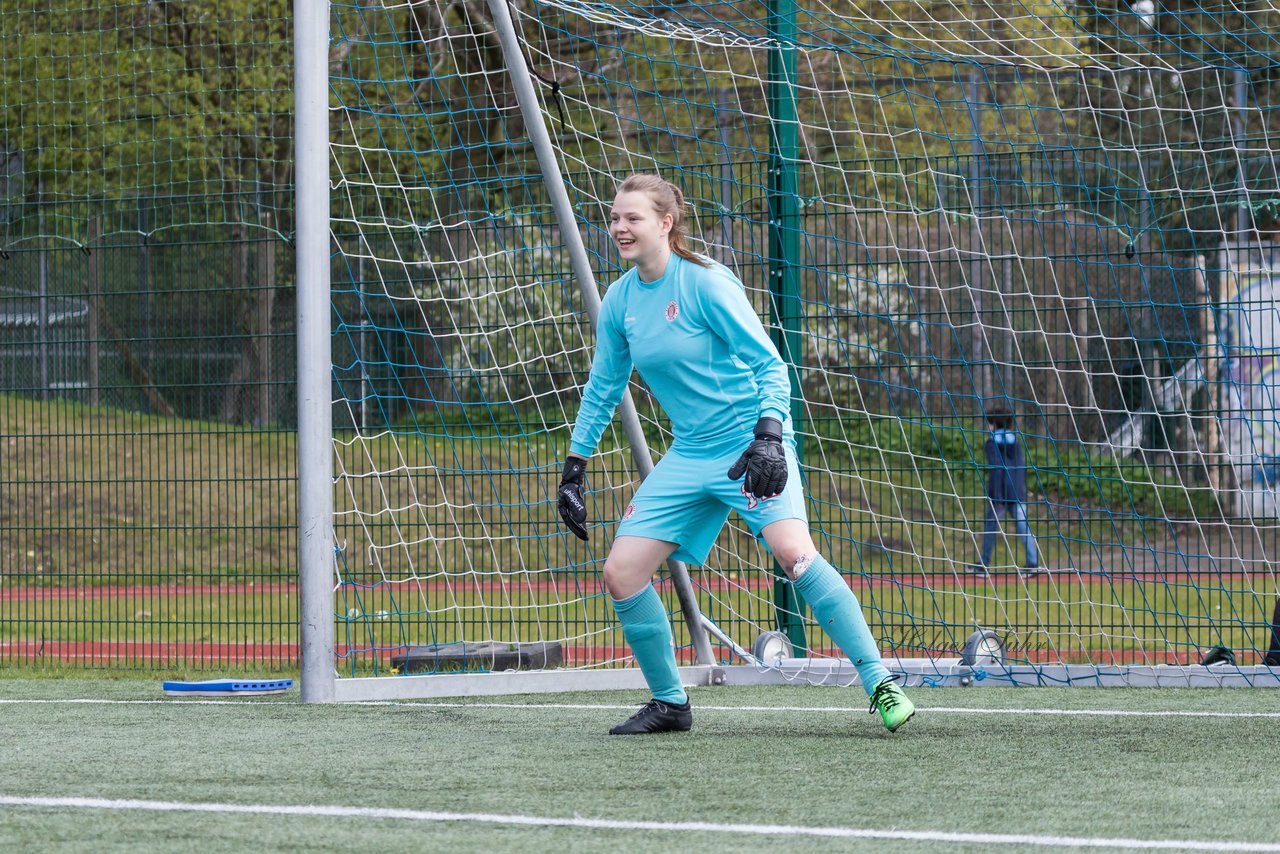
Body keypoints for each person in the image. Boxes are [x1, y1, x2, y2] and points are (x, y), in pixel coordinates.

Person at [556, 173, 914, 735]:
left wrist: (770, 435)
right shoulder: (621, 299)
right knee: (622, 573)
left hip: (750, 445)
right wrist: (574, 467)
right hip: (692, 452)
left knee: (795, 556)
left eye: (633, 218)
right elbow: (604, 386)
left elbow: (771, 365)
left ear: (665, 224)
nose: (619, 228)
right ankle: (671, 704)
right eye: (615, 217)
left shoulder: (705, 284)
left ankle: (879, 681)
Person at [968, 406, 1041, 577]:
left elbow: (997, 470)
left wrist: (997, 496)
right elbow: (1019, 469)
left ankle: (984, 565)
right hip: (1017, 492)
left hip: (1000, 494)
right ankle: (1033, 563)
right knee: (1023, 527)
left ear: (993, 424)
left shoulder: (992, 442)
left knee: (991, 527)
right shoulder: (1015, 441)